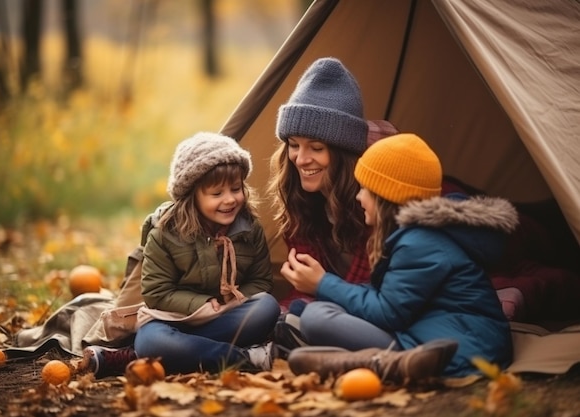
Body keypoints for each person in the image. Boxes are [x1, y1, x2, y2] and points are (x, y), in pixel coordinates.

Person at [283, 133, 516, 383]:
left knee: (317, 319)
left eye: (365, 190)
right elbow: (392, 299)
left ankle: (386, 363)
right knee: (319, 312)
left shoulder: (420, 243)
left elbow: (387, 312)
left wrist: (323, 283)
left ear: (386, 197)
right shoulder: (414, 236)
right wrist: (327, 289)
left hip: (462, 350)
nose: (359, 197)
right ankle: (367, 360)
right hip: (429, 331)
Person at [81, 132, 281, 377]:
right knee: (154, 341)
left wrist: (232, 301)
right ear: (192, 195)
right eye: (217, 194)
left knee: (267, 307)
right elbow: (157, 292)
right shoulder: (165, 233)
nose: (230, 199)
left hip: (224, 316)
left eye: (236, 188)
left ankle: (147, 356)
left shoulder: (250, 229)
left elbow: (261, 282)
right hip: (172, 319)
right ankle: (246, 358)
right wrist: (200, 304)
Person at [267, 57, 399, 354]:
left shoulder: (377, 203)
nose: (301, 159)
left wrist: (320, 286)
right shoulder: (300, 197)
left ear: (343, 154)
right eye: (294, 144)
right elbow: (308, 286)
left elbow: (381, 297)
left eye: (316, 148)